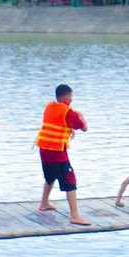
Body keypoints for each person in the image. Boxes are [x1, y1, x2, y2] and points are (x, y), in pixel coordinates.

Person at [35, 83, 91, 226]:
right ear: (66, 97)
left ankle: (44, 203)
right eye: (71, 96)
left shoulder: (49, 106)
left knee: (50, 176)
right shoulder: (68, 112)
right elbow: (84, 127)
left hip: (43, 148)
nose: (72, 99)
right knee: (70, 180)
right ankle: (75, 215)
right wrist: (81, 116)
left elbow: (59, 122)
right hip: (57, 151)